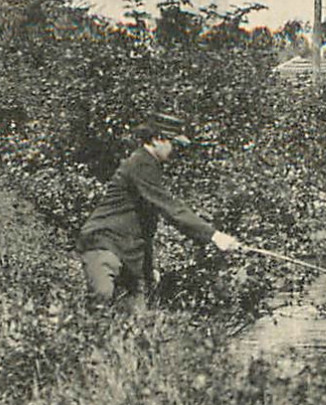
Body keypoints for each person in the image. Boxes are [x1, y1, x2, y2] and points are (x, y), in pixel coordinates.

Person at [77, 116, 242, 307]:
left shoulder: (150, 166)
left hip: (129, 252)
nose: (176, 150)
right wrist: (214, 236)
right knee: (101, 298)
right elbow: (171, 209)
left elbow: (145, 225)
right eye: (173, 143)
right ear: (156, 139)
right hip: (104, 242)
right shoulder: (141, 163)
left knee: (136, 321)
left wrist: (148, 268)